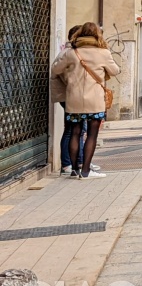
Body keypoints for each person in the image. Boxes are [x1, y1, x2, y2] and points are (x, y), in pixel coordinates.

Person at [51, 22, 119, 179]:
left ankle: (74, 170)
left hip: (73, 100)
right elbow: (115, 71)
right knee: (92, 135)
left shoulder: (71, 53)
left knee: (74, 132)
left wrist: (69, 76)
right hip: (95, 101)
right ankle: (86, 170)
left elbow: (55, 70)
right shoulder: (103, 53)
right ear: (97, 35)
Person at [52, 25, 98, 175]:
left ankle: (78, 163)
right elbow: (59, 72)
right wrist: (72, 83)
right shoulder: (70, 53)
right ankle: (70, 165)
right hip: (70, 96)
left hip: (71, 95)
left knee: (76, 129)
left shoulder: (68, 52)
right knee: (73, 130)